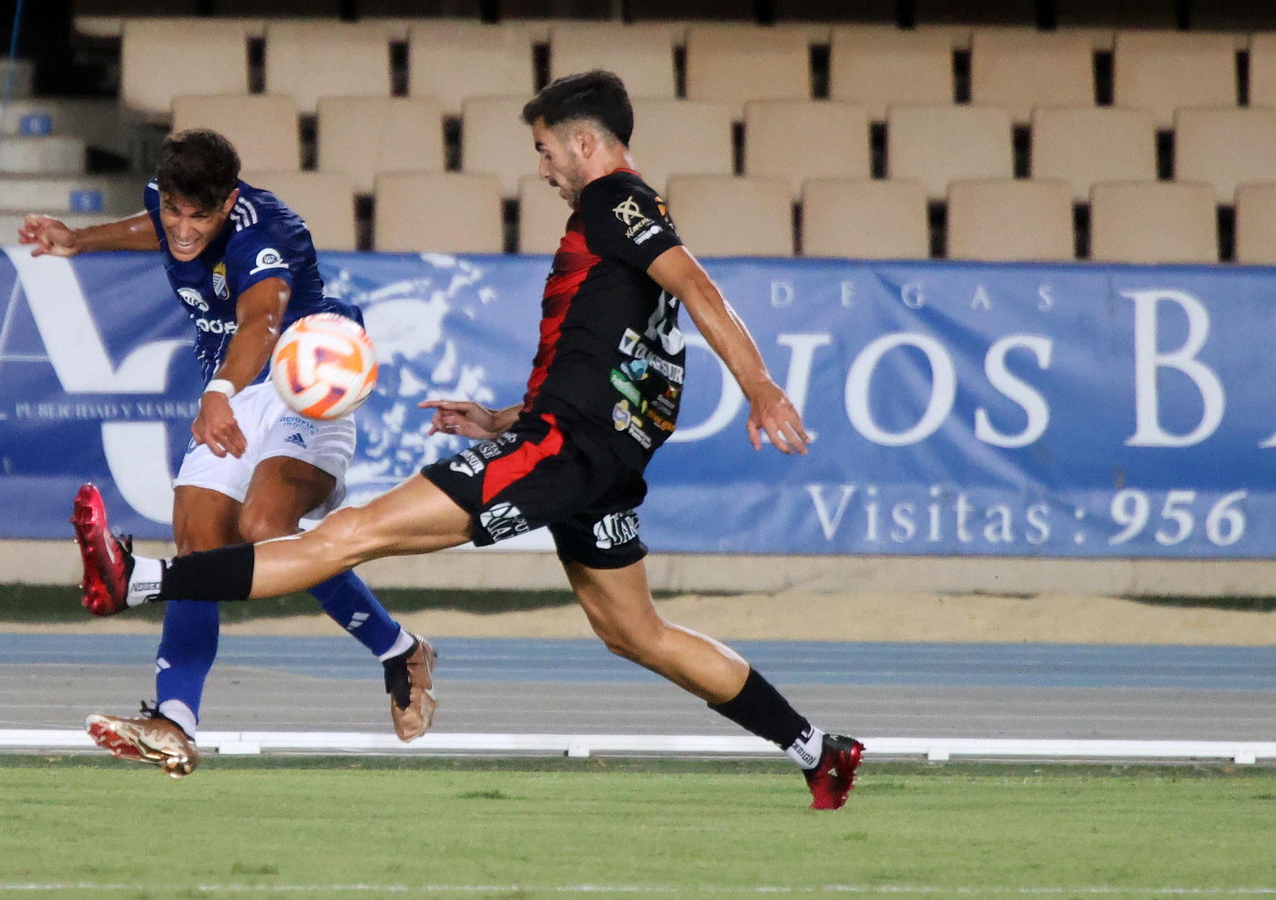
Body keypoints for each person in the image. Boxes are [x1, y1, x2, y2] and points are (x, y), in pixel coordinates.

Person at [74, 72, 866, 808]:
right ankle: (815, 749)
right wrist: (499, 419)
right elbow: (612, 363)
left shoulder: (612, 200)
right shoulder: (615, 226)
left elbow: (695, 284)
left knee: (354, 533)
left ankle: (138, 579)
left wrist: (760, 385)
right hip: (595, 461)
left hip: (560, 453)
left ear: (582, 143)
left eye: (546, 150)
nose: (544, 169)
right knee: (637, 632)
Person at [20, 130, 435, 779]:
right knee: (199, 547)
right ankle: (175, 723)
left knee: (266, 525)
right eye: (174, 211)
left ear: (229, 202)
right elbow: (155, 229)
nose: (183, 230)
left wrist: (217, 394)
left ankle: (399, 649)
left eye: (200, 217)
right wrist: (79, 240)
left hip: (303, 383)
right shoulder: (168, 205)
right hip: (236, 388)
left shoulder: (267, 232)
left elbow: (260, 322)